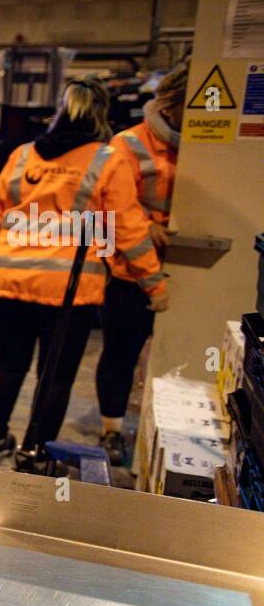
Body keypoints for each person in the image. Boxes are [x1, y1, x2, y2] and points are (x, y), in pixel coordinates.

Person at [0, 77, 168, 464]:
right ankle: (36, 451)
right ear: (102, 114)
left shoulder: (23, 154)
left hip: (10, 280)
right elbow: (128, 229)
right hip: (69, 289)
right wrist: (154, 284)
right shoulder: (105, 160)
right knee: (57, 374)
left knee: (9, 363)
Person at [94, 62, 186, 464]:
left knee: (178, 353)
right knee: (121, 353)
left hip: (187, 272)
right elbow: (117, 215)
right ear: (171, 103)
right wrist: (148, 227)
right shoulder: (127, 145)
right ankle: (112, 429)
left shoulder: (212, 150)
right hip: (129, 275)